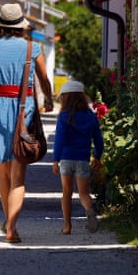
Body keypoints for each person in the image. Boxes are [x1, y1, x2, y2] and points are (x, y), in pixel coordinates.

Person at [0, 3, 54, 244]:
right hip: (24, 111)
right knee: (19, 176)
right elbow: (43, 79)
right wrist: (50, 100)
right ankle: (12, 226)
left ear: (0, 25)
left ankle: (8, 221)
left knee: (3, 175)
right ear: (21, 26)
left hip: (0, 107)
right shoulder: (32, 48)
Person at [52, 80, 104, 234]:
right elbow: (98, 139)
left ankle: (67, 226)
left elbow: (59, 139)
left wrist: (56, 159)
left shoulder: (64, 116)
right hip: (83, 159)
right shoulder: (90, 116)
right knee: (84, 193)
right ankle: (90, 212)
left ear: (65, 98)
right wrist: (97, 156)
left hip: (67, 159)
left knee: (66, 192)